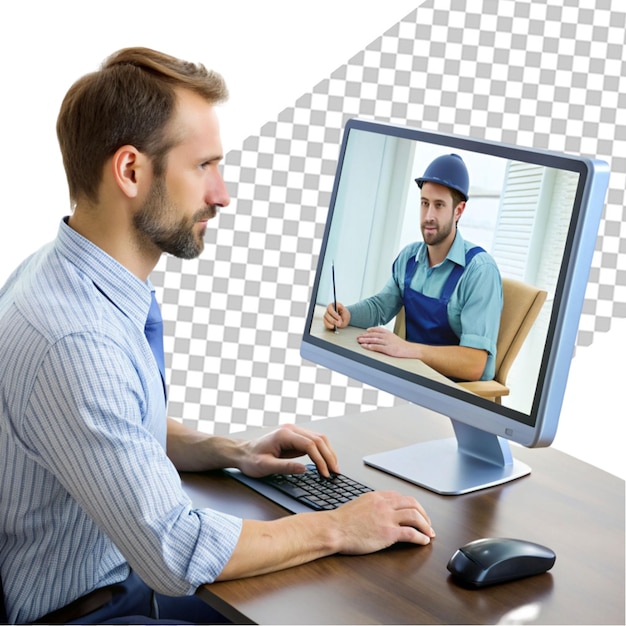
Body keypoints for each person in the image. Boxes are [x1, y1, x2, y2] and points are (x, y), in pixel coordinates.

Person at [0, 47, 435, 625]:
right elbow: (175, 552)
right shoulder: (77, 342)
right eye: (203, 166)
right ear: (131, 171)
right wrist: (338, 525)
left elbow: (109, 428)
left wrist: (234, 451)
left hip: (120, 579)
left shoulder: (55, 273)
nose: (222, 194)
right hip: (93, 611)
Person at [324, 153, 502, 382]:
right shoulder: (409, 258)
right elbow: (380, 307)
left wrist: (409, 349)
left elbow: (475, 364)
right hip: (413, 378)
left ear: (458, 211)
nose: (428, 216)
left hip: (454, 392)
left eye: (439, 206)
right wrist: (347, 314)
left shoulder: (480, 272)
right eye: (424, 203)